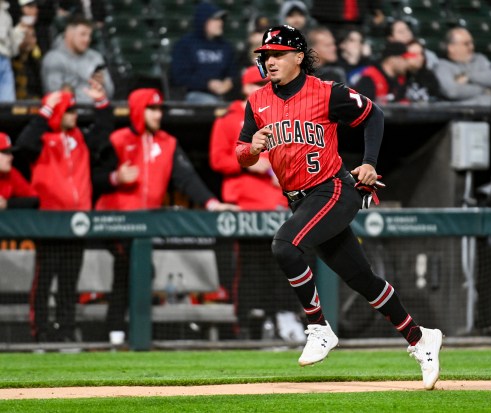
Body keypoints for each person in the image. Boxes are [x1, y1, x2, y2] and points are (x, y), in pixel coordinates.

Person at [236, 24, 443, 389]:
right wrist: (252, 148)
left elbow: (374, 115)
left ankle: (318, 327)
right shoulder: (257, 101)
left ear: (299, 56)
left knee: (284, 245)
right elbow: (241, 156)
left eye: (279, 54)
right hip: (300, 199)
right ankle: (421, 338)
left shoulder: (325, 92)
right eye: (266, 55)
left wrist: (370, 162)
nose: (270, 61)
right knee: (362, 280)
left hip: (332, 189)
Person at [93, 88, 239, 337]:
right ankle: (118, 330)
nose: (157, 115)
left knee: (132, 272)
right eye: (151, 109)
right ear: (139, 111)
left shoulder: (167, 143)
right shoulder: (118, 139)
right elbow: (94, 177)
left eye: (159, 109)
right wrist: (115, 177)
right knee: (133, 269)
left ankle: (120, 332)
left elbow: (187, 179)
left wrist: (212, 204)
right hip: (116, 219)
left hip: (145, 223)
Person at [210, 66, 304, 341]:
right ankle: (250, 324)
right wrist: (249, 162)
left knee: (283, 261)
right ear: (244, 88)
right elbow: (216, 159)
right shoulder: (227, 119)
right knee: (249, 267)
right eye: (255, 85)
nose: (261, 90)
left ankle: (283, 317)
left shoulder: (275, 115)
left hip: (275, 201)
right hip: (245, 203)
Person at [15, 80, 112, 342]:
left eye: (74, 110)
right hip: (49, 221)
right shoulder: (42, 140)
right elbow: (23, 144)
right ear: (58, 112)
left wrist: (101, 103)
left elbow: (103, 133)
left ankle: (66, 330)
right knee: (44, 281)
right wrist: (46, 110)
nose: (74, 115)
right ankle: (41, 333)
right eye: (68, 110)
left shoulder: (79, 138)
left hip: (77, 221)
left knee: (69, 282)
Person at [170, 2, 236, 104]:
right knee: (212, 103)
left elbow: (233, 72)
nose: (220, 23)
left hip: (224, 95)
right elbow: (179, 76)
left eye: (221, 19)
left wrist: (229, 82)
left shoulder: (225, 46)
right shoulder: (186, 44)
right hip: (194, 94)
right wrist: (207, 84)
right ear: (203, 20)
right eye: (215, 19)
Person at [40, 14, 114, 103]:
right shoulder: (53, 59)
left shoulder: (95, 57)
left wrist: (102, 85)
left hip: (95, 113)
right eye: (83, 34)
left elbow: (110, 94)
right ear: (69, 33)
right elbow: (55, 94)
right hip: (67, 113)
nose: (87, 39)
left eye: (89, 35)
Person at [435, 28, 491, 105]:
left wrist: (469, 77)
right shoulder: (443, 66)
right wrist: (484, 90)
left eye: (472, 43)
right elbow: (452, 92)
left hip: (489, 112)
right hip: (461, 113)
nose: (471, 47)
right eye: (466, 44)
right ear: (451, 48)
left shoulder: (480, 59)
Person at [0, 131, 38, 209]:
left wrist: (7, 203)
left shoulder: (11, 174)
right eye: (5, 152)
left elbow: (34, 200)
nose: (11, 157)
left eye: (10, 152)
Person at [0, 0, 25, 102]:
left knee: (7, 107)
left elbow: (13, 49)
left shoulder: (6, 15)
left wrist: (19, 31)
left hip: (5, 61)